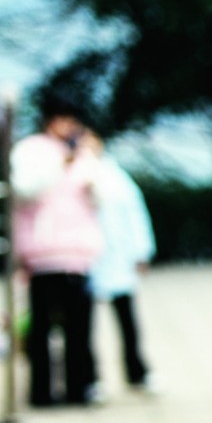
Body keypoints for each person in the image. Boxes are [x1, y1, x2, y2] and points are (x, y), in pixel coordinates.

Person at [11, 92, 104, 407]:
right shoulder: (30, 150)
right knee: (41, 327)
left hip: (79, 253)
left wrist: (93, 160)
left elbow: (102, 197)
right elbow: (25, 190)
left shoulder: (84, 153)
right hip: (42, 253)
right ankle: (42, 391)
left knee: (79, 328)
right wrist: (60, 163)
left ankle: (80, 387)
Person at [88, 149, 157, 393]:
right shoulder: (71, 174)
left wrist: (141, 252)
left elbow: (135, 215)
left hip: (118, 258)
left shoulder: (116, 178)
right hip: (85, 259)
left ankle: (137, 372)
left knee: (127, 320)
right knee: (85, 327)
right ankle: (91, 378)